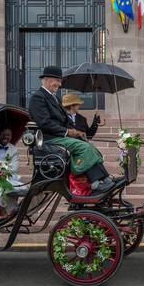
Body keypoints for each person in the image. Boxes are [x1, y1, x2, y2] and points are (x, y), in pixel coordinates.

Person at [27, 65, 118, 193]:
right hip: (49, 139)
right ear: (46, 80)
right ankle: (95, 184)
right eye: (56, 80)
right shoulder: (38, 97)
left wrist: (77, 132)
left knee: (88, 145)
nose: (59, 84)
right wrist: (67, 132)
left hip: (59, 137)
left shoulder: (54, 97)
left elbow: (65, 121)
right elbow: (44, 123)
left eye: (60, 81)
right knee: (83, 147)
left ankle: (105, 179)